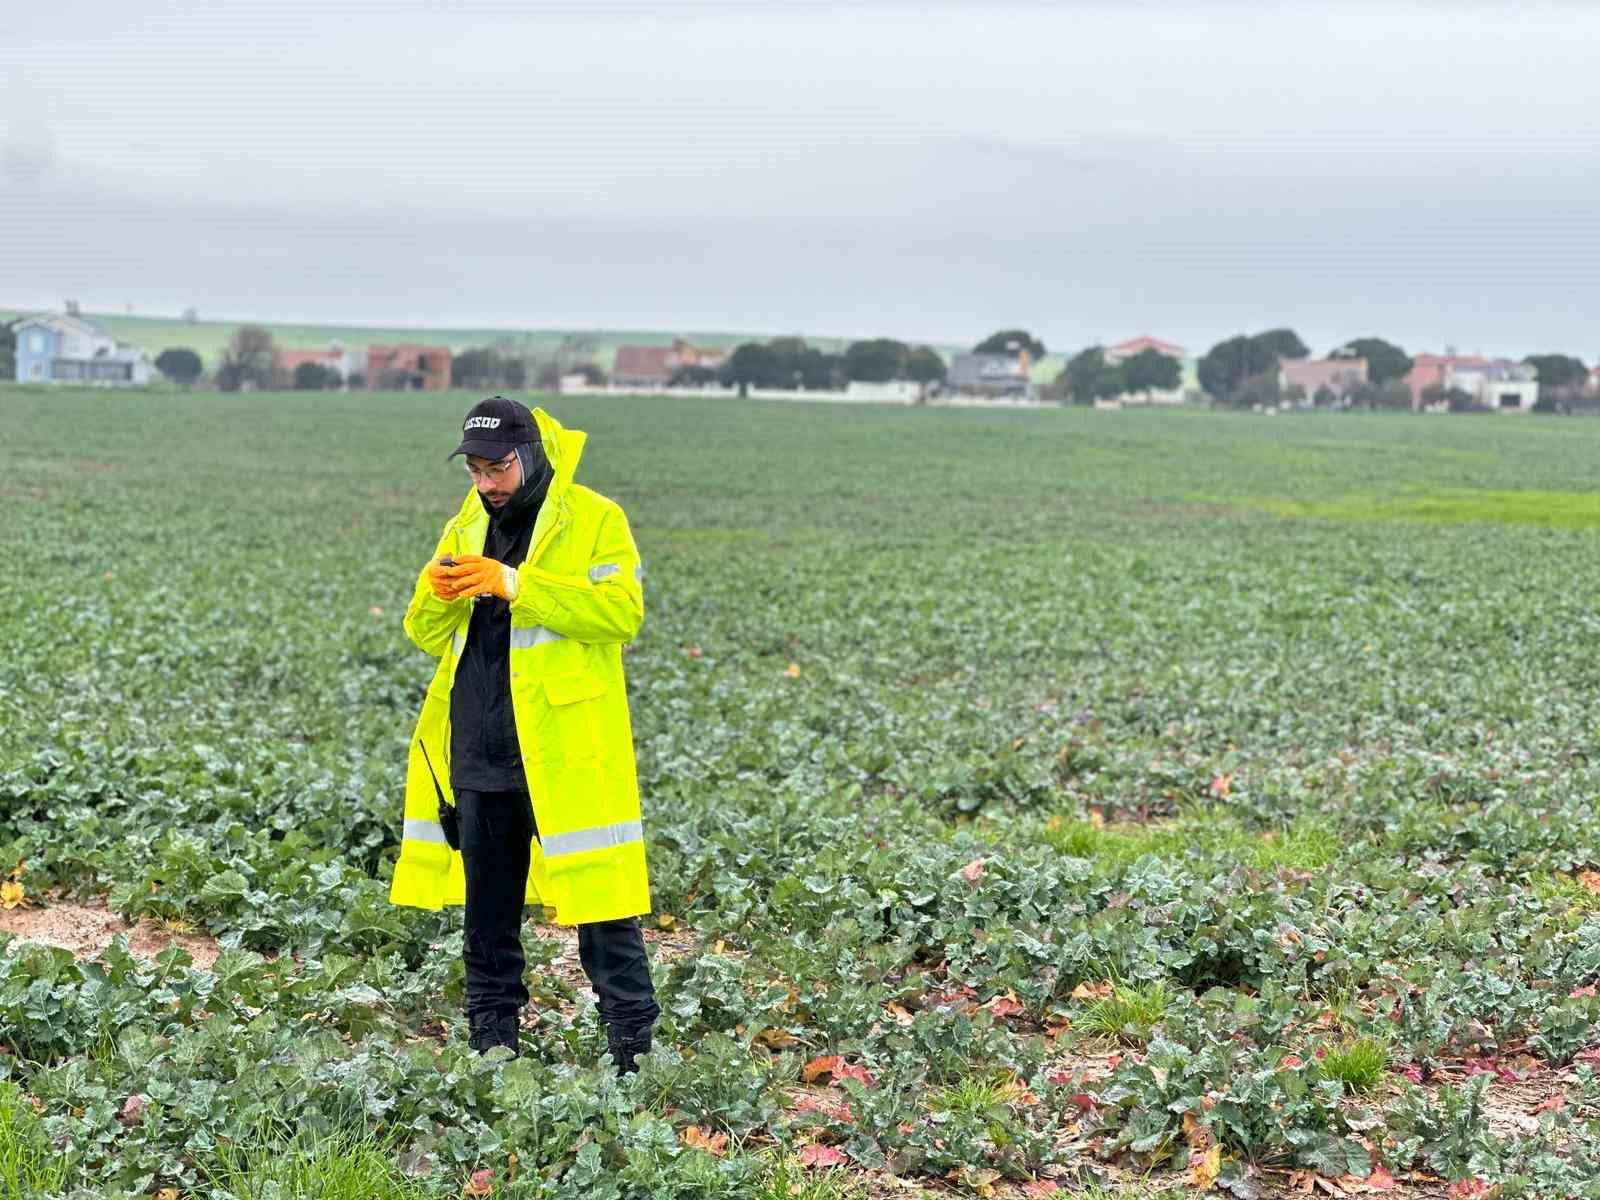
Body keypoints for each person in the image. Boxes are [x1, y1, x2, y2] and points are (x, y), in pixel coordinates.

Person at [388, 395, 659, 1073]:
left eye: (497, 467)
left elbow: (620, 614)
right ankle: (493, 1054)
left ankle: (634, 1056)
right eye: (475, 470)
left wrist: (516, 582)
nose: (485, 483)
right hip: (478, 745)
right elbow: (424, 634)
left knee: (602, 912)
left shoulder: (595, 518)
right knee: (487, 918)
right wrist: (431, 591)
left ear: (531, 454)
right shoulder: (466, 522)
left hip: (564, 753)